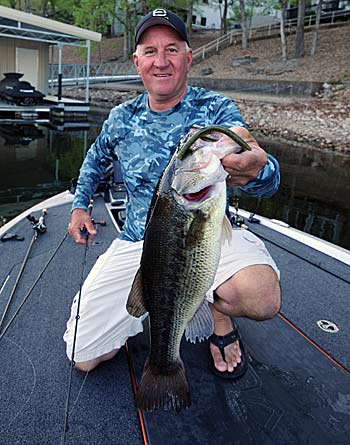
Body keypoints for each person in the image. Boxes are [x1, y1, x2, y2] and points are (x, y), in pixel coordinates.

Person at [64, 8, 281, 378]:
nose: (161, 62)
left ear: (188, 56)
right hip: (137, 242)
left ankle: (219, 317)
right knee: (82, 356)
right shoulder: (120, 117)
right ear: (137, 61)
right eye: (150, 51)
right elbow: (94, 161)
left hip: (205, 233)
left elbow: (266, 173)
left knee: (259, 295)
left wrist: (257, 170)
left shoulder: (215, 109)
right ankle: (135, 321)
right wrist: (80, 205)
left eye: (172, 49)